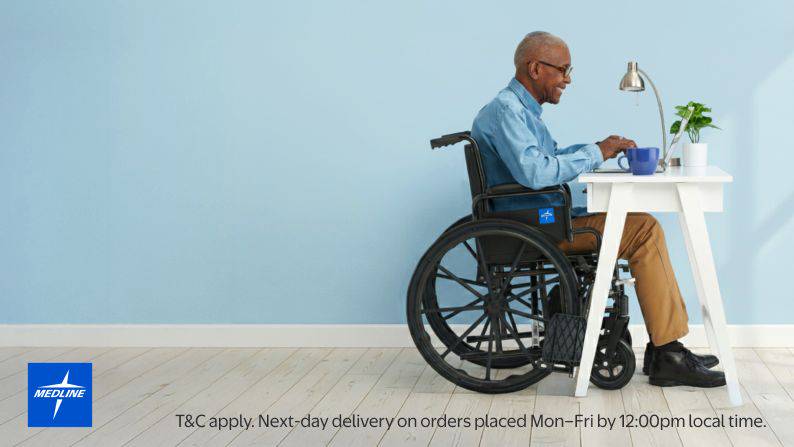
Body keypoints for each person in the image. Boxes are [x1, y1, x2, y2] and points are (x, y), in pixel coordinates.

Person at [470, 31, 725, 388]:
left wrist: (597, 147)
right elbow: (536, 172)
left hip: (542, 221)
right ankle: (668, 351)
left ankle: (666, 349)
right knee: (644, 229)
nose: (567, 79)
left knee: (641, 224)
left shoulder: (520, 111)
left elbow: (547, 158)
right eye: (562, 70)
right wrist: (597, 153)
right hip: (536, 229)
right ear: (535, 68)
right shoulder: (507, 111)